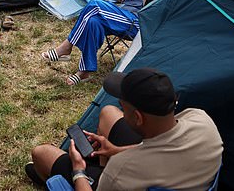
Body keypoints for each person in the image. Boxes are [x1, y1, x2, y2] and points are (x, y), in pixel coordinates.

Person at [26, 68, 223, 190]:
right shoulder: (201, 120)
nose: (121, 107)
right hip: (180, 175)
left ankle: (52, 176)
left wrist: (78, 171)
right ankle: (98, 164)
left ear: (137, 117)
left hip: (121, 181)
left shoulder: (121, 171)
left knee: (41, 153)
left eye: (124, 105)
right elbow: (167, 149)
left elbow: (122, 171)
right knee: (108, 113)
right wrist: (115, 150)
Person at [41, 0, 172, 85]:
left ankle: (66, 47)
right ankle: (84, 71)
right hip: (121, 14)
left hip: (137, 23)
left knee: (94, 5)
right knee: (93, 21)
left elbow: (149, 11)